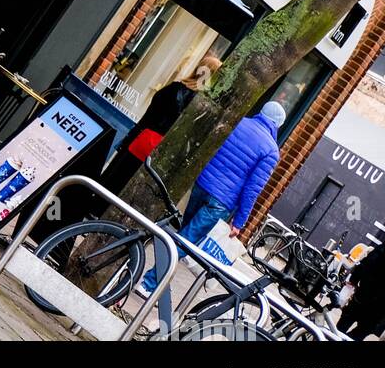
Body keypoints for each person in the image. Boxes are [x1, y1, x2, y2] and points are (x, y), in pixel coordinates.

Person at [140, 99, 284, 294]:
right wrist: (240, 221)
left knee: (184, 237)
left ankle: (159, 281)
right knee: (185, 241)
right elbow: (252, 189)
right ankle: (148, 284)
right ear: (277, 125)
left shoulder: (239, 121)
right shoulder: (271, 151)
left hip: (202, 184)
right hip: (222, 201)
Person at [101, 55, 221, 196]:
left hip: (144, 139)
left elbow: (149, 115)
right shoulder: (202, 105)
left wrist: (131, 136)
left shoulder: (174, 88)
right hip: (162, 151)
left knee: (115, 178)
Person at [338, 228, 385, 339]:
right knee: (361, 331)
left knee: (343, 323)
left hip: (365, 293)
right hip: (382, 304)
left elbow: (369, 261)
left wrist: (354, 279)